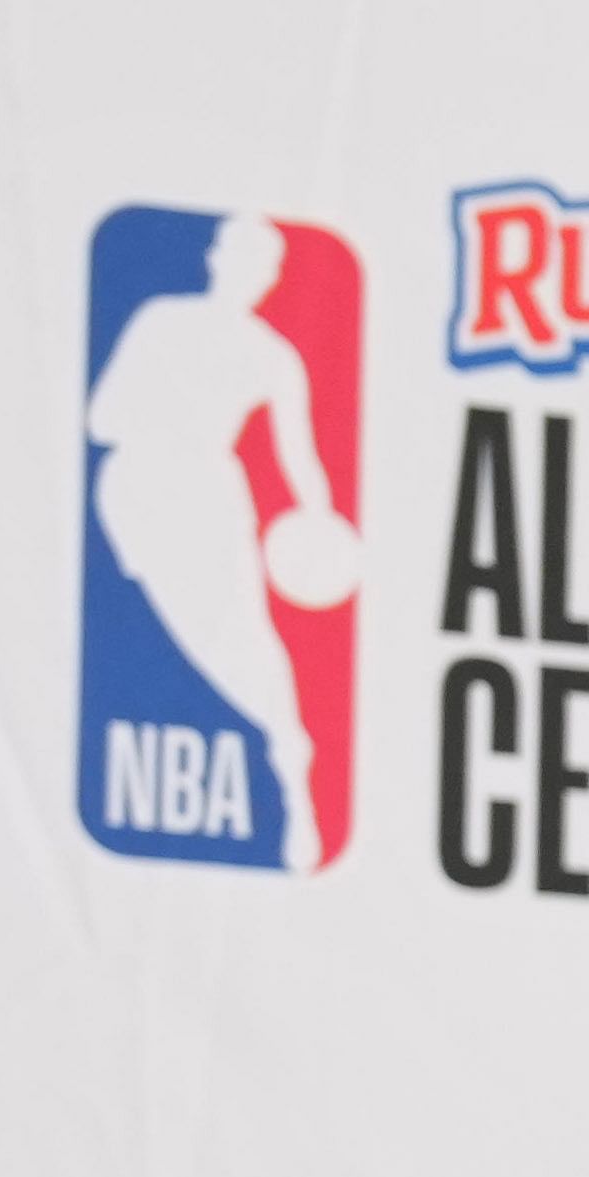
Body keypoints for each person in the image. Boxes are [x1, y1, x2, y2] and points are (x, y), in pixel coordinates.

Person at [83, 218, 351, 868]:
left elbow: (303, 461)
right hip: (139, 491)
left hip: (206, 494)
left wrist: (319, 526)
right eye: (245, 256)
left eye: (266, 264)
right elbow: (101, 417)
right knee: (173, 636)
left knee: (244, 637)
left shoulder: (274, 357)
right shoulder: (162, 321)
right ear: (218, 257)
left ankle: (292, 768)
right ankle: (286, 751)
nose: (254, 273)